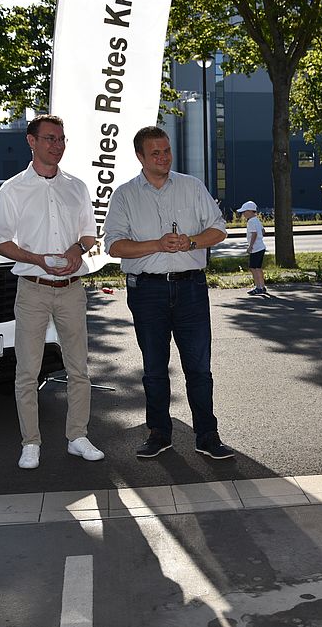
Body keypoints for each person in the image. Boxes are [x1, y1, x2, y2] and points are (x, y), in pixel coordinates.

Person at [104, 126, 233, 460]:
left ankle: (207, 435)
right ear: (140, 157)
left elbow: (219, 229)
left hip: (191, 288)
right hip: (147, 291)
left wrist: (191, 242)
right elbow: (114, 245)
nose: (163, 158)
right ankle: (159, 433)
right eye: (155, 153)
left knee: (199, 369)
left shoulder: (192, 186)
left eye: (167, 151)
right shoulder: (125, 195)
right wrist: (157, 245)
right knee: (154, 368)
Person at [0, 114, 104, 469]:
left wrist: (77, 249)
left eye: (61, 139)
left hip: (71, 289)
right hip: (33, 289)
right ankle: (30, 442)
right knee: (27, 371)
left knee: (79, 368)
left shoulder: (77, 187)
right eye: (50, 138)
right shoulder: (13, 189)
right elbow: (0, 243)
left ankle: (78, 436)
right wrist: (36, 259)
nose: (57, 145)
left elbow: (89, 235)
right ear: (32, 141)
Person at [236, 201, 267, 295]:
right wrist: (260, 239)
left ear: (250, 211)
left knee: (253, 268)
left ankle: (258, 287)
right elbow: (263, 231)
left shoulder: (250, 222)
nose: (243, 214)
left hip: (255, 249)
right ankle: (262, 286)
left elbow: (254, 234)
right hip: (261, 247)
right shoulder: (257, 220)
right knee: (258, 268)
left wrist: (250, 246)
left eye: (244, 212)